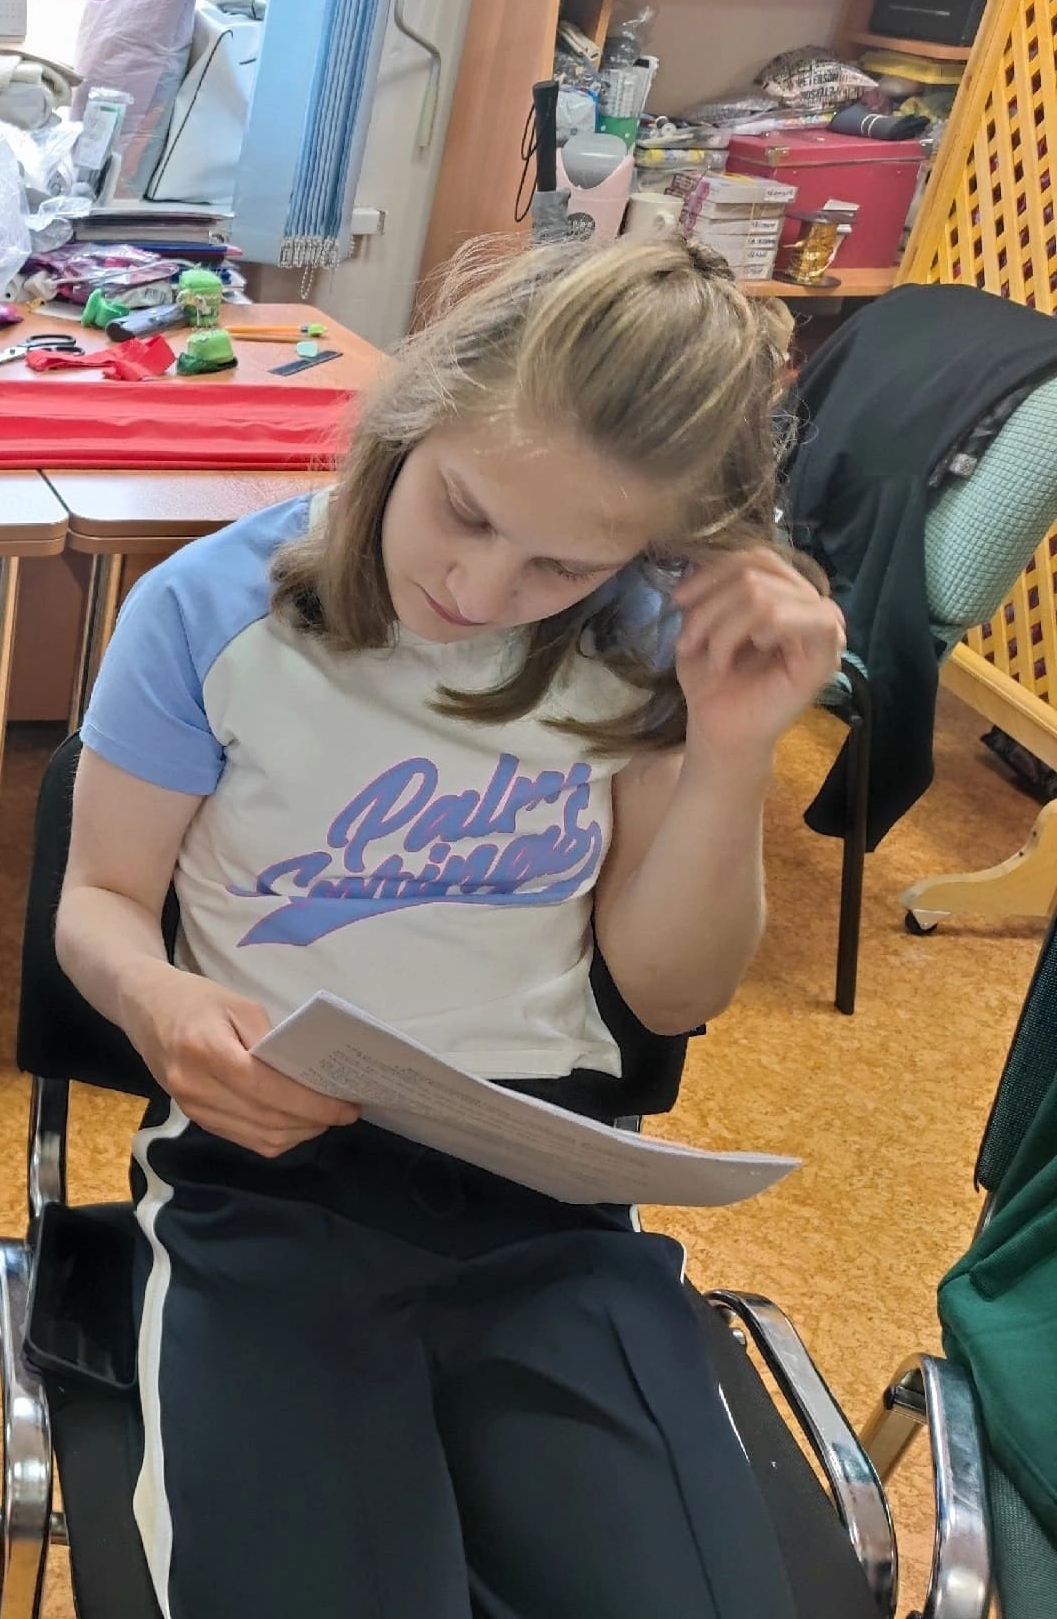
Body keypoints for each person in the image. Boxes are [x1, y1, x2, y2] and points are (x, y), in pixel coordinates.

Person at [61, 234, 848, 1617]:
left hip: (548, 1195)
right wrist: (155, 1000)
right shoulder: (208, 613)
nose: (480, 594)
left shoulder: (643, 644)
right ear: (409, 416)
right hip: (271, 1177)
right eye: (464, 513)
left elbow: (667, 997)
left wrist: (732, 754)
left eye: (561, 565)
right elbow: (102, 901)